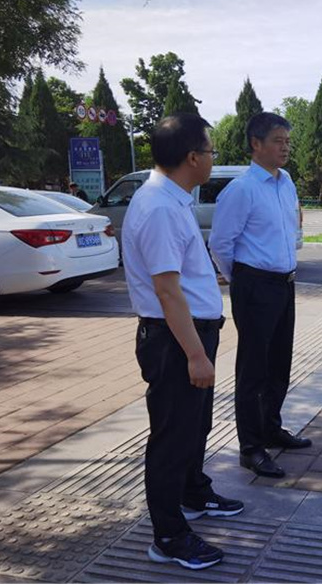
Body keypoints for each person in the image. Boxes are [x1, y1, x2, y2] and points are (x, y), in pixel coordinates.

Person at [122, 113, 243, 570]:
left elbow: (180, 277)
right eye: (211, 151)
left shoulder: (172, 200)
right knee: (172, 438)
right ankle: (169, 536)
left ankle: (193, 493)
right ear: (193, 157)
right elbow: (167, 292)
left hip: (188, 334)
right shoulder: (158, 207)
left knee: (195, 427)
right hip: (175, 341)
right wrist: (195, 354)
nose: (213, 158)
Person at [209, 112, 311, 480]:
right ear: (256, 144)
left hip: (284, 283)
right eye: (278, 141)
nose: (285, 148)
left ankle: (271, 428)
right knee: (253, 368)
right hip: (255, 285)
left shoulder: (286, 182)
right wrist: (241, 279)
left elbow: (289, 229)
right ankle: (251, 447)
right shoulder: (241, 189)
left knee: (279, 362)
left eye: (288, 141)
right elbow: (221, 243)